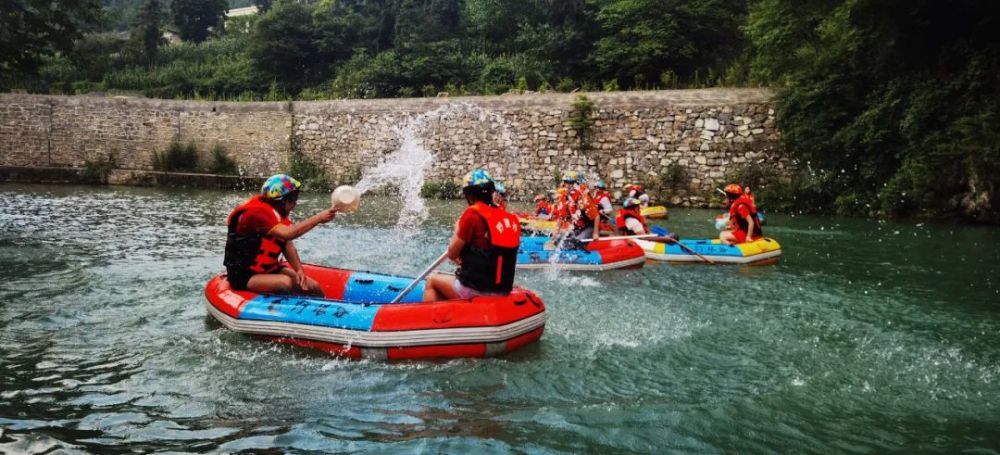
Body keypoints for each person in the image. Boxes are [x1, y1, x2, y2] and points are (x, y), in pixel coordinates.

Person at [223, 174, 337, 296]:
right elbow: (289, 234)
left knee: (313, 287)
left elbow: (287, 245)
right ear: (282, 201)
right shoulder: (255, 214)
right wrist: (319, 218)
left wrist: (299, 269)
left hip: (270, 269)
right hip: (243, 276)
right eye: (293, 201)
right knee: (285, 282)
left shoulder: (278, 217)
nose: (294, 205)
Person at [423, 169, 521, 301]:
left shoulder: (472, 215)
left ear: (469, 195)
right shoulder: (510, 218)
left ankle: (431, 320)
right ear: (492, 191)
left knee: (432, 280)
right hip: (503, 289)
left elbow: (452, 254)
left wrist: (457, 228)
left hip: (477, 289)